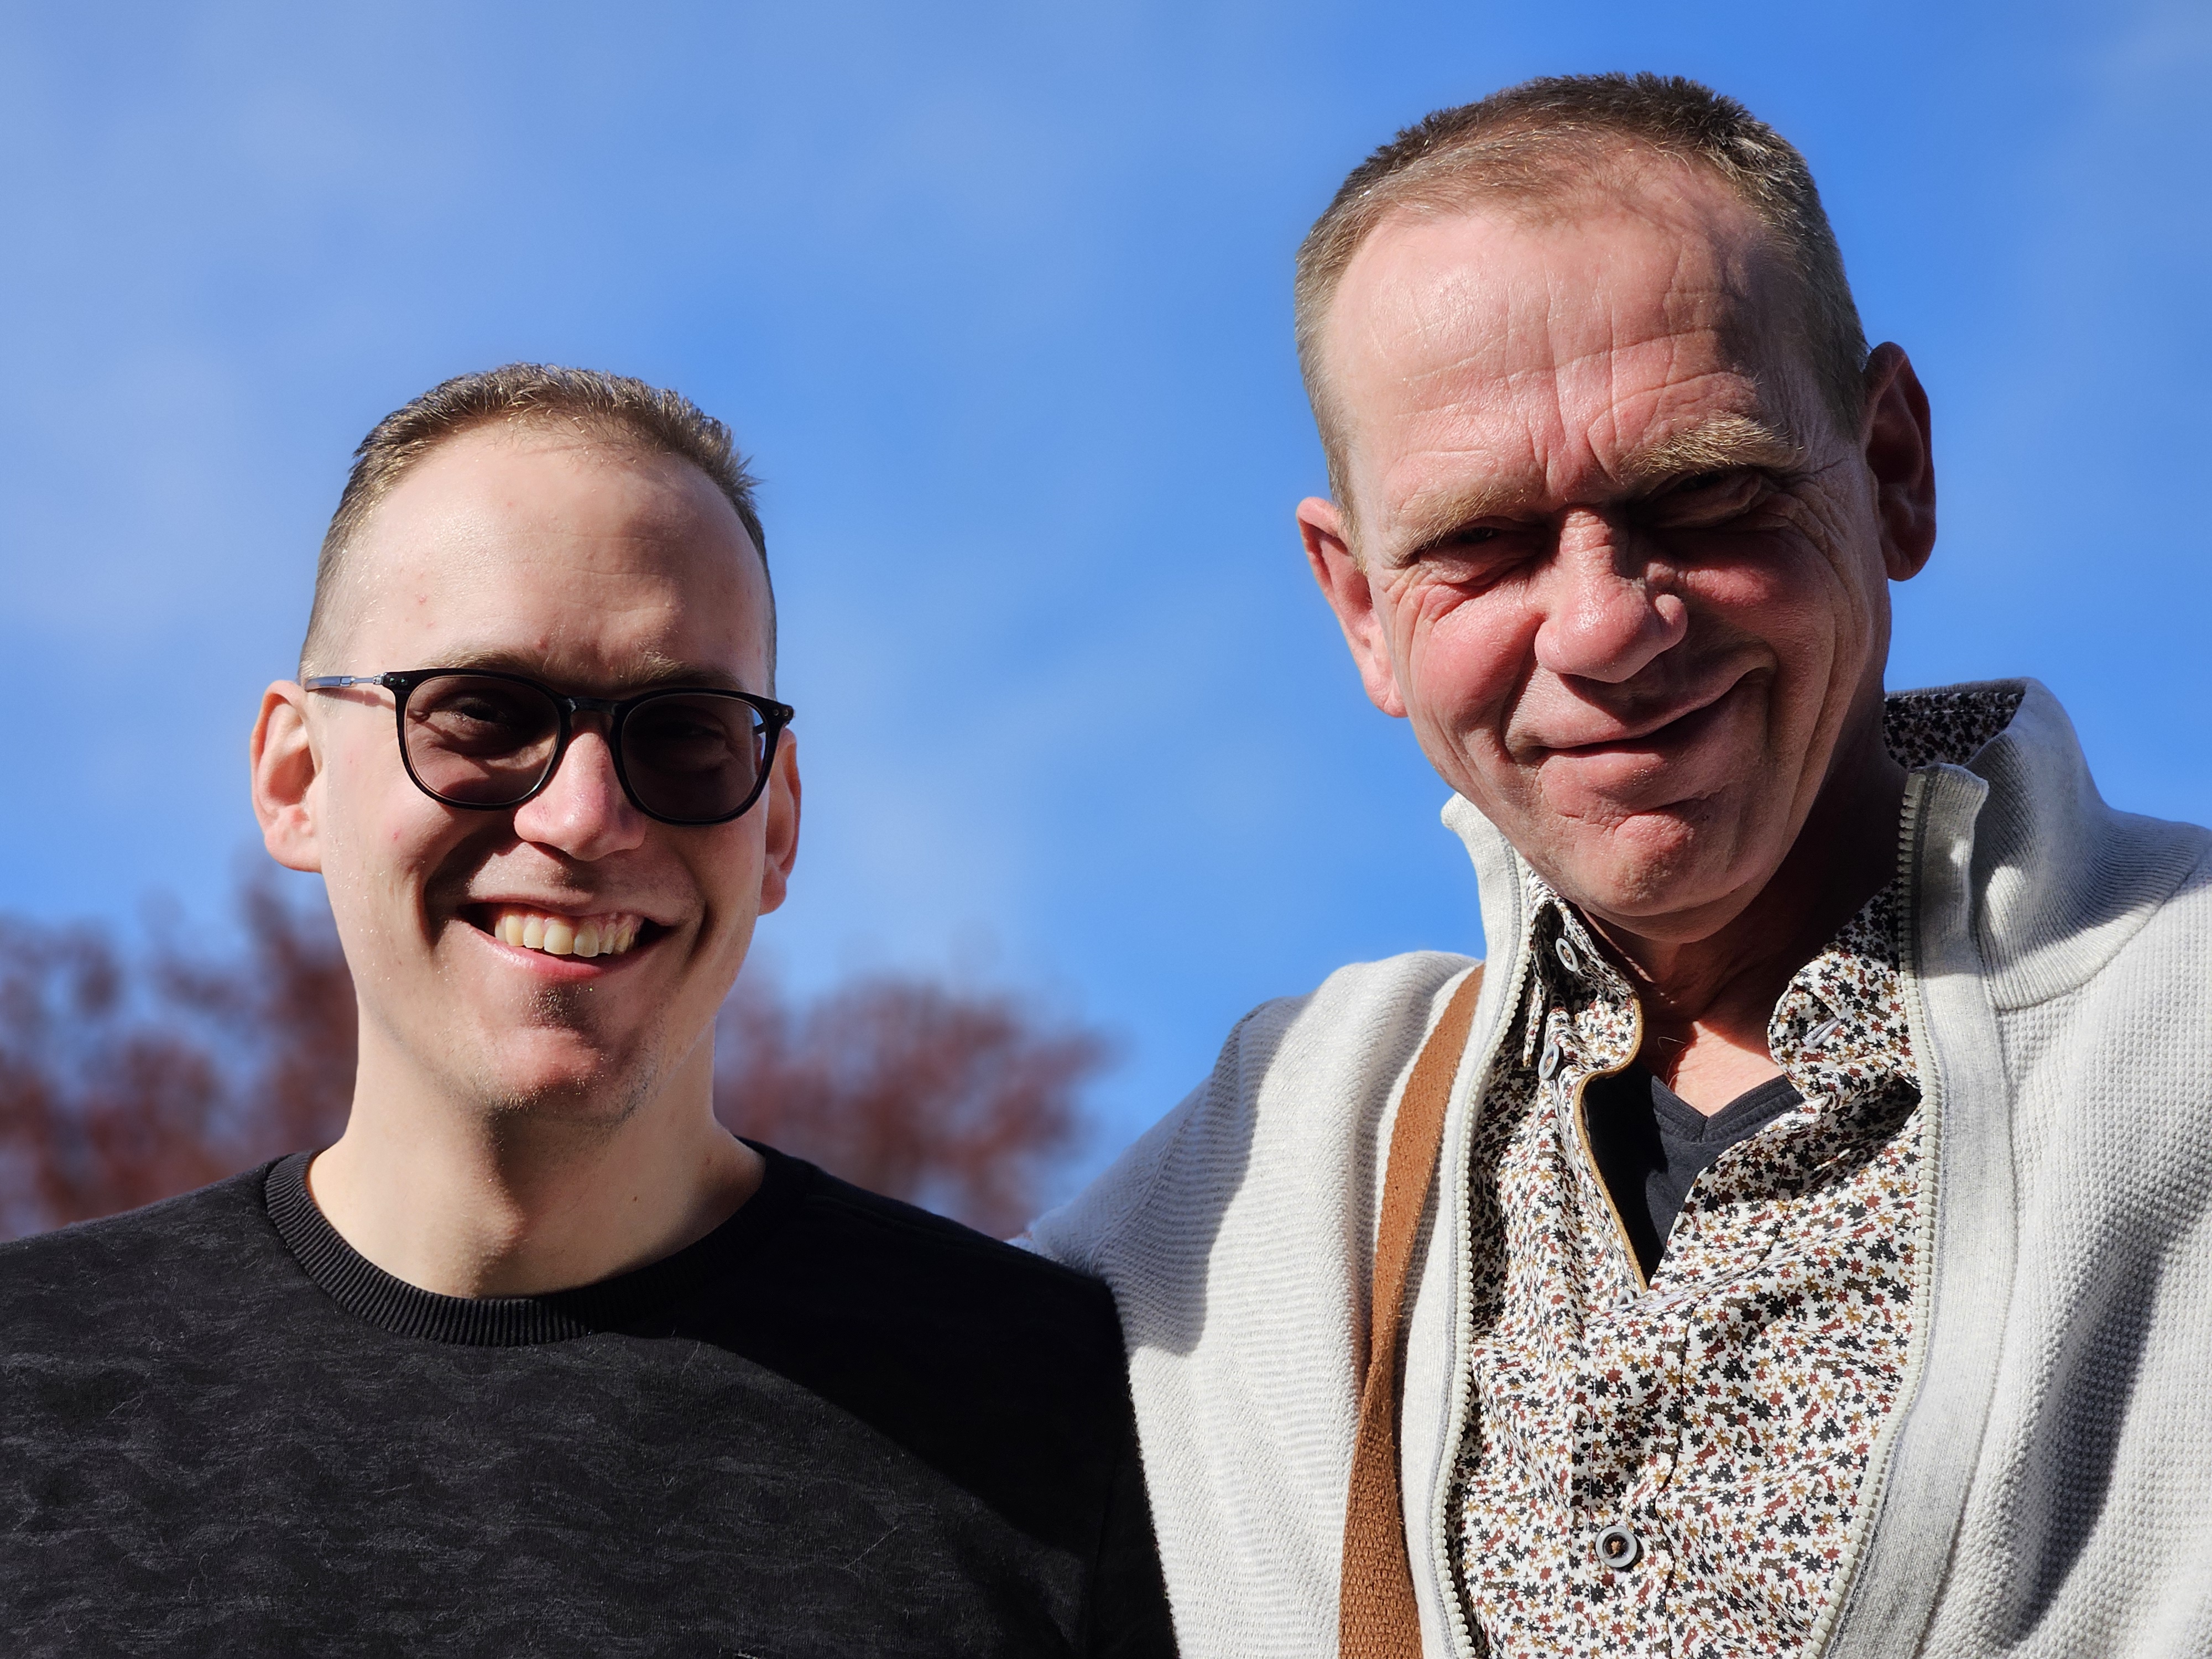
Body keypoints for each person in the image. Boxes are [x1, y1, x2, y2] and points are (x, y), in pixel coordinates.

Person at [1029, 74, 2212, 1658]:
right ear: (1361, 606)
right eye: (1481, 543)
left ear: (1891, 467)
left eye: (1706, 491)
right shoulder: (1258, 1179)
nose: (1602, 627)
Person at [0, 365, 1174, 1657]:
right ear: (295, 779)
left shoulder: (1066, 1412)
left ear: (777, 824)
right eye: (481, 713)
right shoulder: (29, 1383)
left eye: (685, 734)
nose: (583, 815)